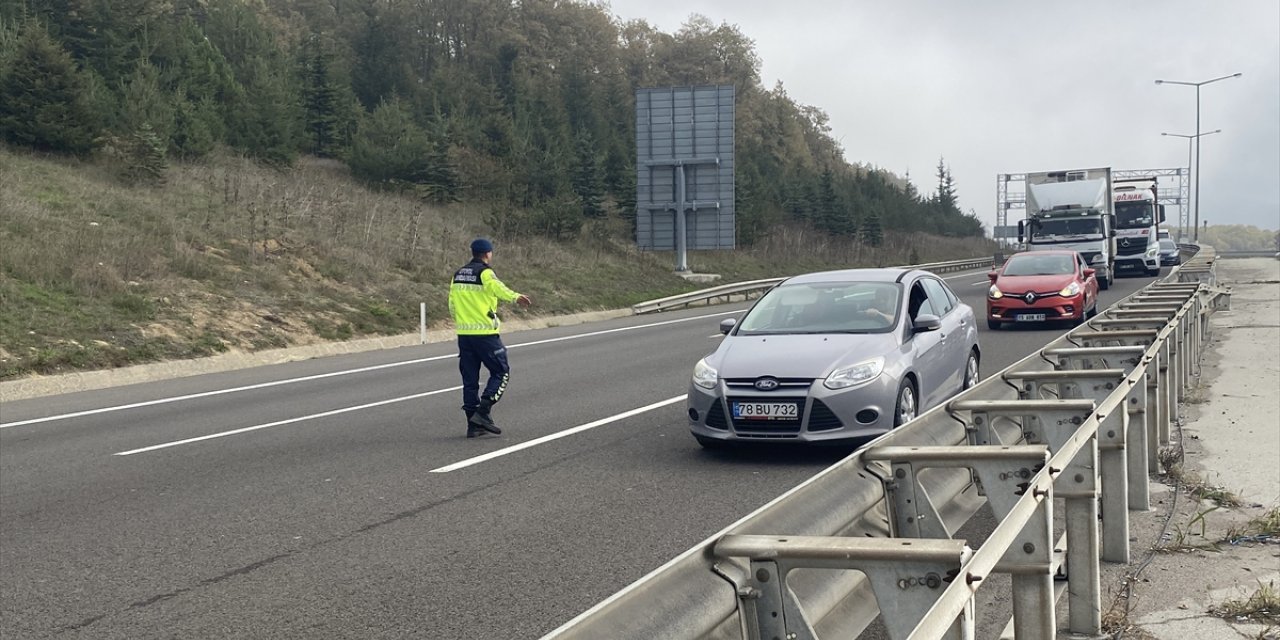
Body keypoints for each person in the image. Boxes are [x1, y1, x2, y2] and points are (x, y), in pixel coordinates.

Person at [448, 238, 532, 438]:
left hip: (464, 335)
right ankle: (483, 412)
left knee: (470, 381)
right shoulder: (485, 273)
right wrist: (516, 297)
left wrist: (461, 321)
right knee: (501, 372)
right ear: (487, 254)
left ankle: (473, 425)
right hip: (485, 334)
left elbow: (451, 303)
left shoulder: (458, 274)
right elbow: (497, 288)